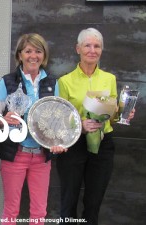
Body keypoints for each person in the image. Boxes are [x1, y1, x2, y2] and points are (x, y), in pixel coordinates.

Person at [56, 28, 135, 225]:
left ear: (101, 50)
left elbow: (111, 115)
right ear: (78, 49)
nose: (92, 50)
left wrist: (122, 115)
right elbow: (59, 119)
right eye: (87, 45)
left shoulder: (109, 79)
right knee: (68, 200)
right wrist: (79, 126)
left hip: (103, 144)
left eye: (97, 46)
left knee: (93, 202)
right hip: (74, 145)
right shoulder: (64, 81)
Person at [0, 33, 66, 225]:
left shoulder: (52, 82)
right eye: (28, 51)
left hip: (41, 157)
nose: (33, 56)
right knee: (11, 210)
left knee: (39, 212)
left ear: (44, 55)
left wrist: (58, 141)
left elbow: (56, 120)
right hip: (15, 154)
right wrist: (4, 121)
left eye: (38, 51)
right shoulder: (6, 82)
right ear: (19, 55)